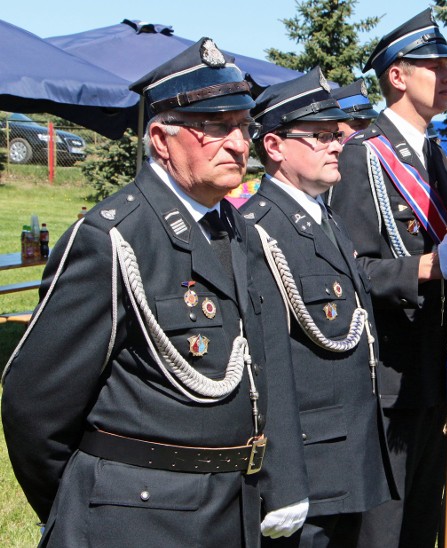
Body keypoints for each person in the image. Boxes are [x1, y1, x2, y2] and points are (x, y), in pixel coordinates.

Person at [1, 39, 308, 547]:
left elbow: (265, 366)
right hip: (138, 521)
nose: (237, 143)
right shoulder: (113, 238)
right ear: (162, 140)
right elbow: (35, 405)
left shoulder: (239, 230)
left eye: (243, 126)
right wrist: (87, 502)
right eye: (214, 127)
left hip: (230, 510)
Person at [243, 67, 393, 547]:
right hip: (306, 460)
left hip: (348, 450)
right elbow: (265, 362)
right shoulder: (258, 230)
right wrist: (281, 477)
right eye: (320, 136)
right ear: (274, 147)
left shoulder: (323, 216)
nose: (336, 145)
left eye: (337, 134)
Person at [328, 9, 447, 547]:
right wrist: (422, 268)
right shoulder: (365, 155)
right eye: (436, 65)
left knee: (423, 516)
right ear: (398, 76)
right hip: (389, 371)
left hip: (432, 363)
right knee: (385, 523)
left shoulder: (432, 151)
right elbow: (349, 269)